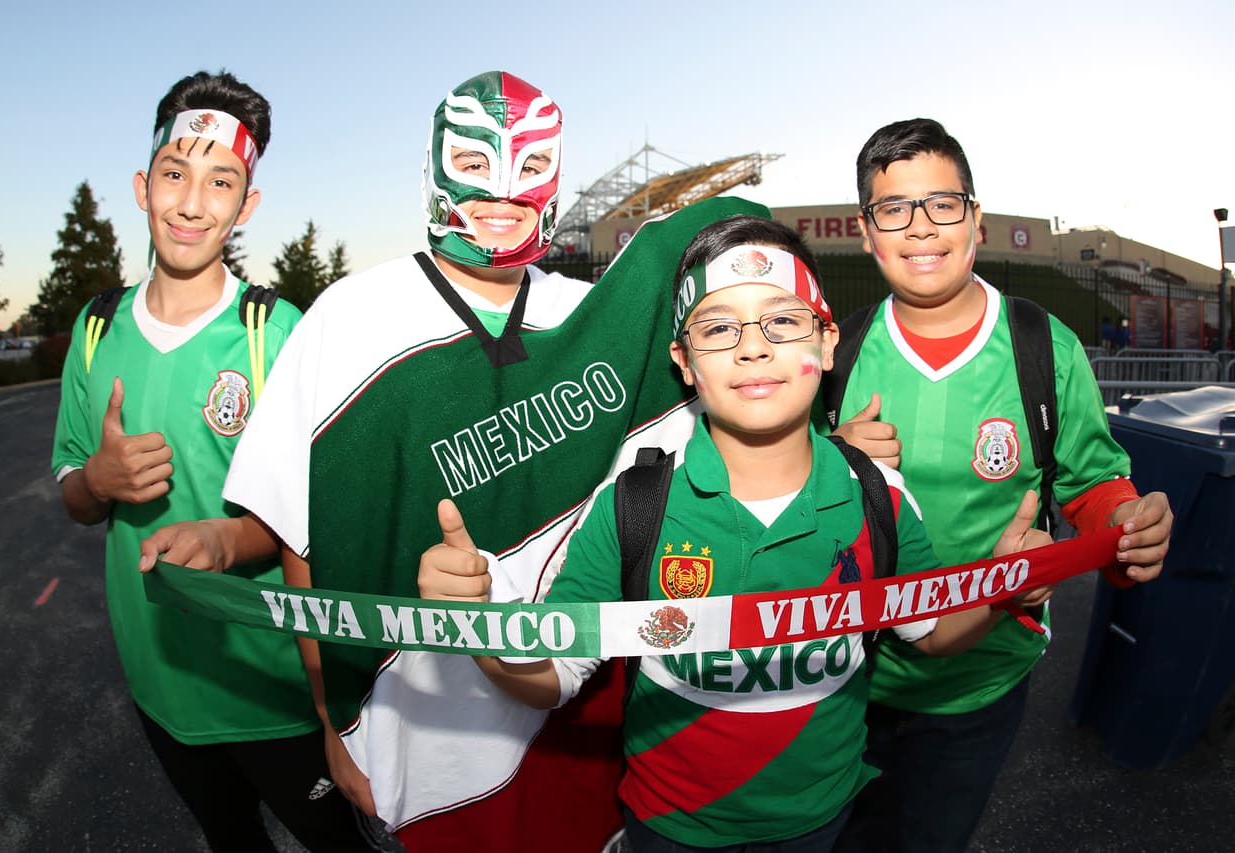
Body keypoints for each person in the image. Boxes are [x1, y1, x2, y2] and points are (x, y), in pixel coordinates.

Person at [215, 70, 766, 850]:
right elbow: (302, 540)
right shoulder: (345, 321)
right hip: (412, 743)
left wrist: (835, 449)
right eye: (476, 162)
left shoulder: (593, 318)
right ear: (433, 168)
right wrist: (332, 721)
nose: (504, 189)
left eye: (531, 165)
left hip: (577, 731)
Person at [417, 215, 1054, 851]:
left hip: (825, 822)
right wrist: (481, 627)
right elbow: (553, 676)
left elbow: (933, 631)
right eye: (719, 328)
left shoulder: (877, 496)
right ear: (684, 361)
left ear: (827, 342)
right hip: (670, 828)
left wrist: (1004, 586)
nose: (754, 348)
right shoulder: (633, 505)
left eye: (783, 321)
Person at [827, 117, 1174, 852]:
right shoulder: (835, 355)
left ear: (975, 218)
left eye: (942, 203)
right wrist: (833, 459)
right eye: (894, 208)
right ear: (866, 232)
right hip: (842, 679)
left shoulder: (1044, 346)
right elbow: (770, 494)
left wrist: (1126, 522)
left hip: (981, 682)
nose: (921, 226)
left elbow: (1092, 483)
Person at [51, 70, 370, 852]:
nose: (192, 203)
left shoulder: (277, 333)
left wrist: (229, 540)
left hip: (276, 691)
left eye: (220, 181)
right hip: (158, 685)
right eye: (175, 174)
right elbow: (73, 493)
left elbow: (318, 522)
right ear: (143, 185)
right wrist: (96, 481)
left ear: (245, 205)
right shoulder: (95, 330)